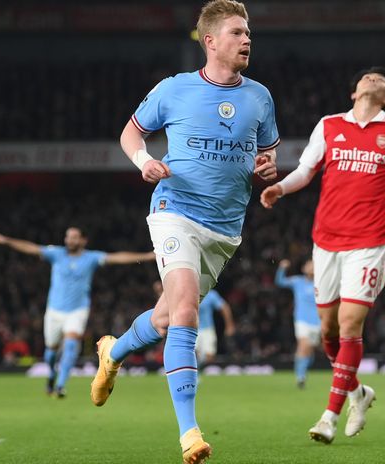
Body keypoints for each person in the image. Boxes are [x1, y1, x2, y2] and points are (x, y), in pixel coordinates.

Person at [89, 1, 280, 462]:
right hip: (174, 208)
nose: (247, 39)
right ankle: (189, 433)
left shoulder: (260, 97)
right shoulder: (174, 90)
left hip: (225, 227)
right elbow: (130, 135)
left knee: (164, 320)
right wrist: (145, 162)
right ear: (210, 41)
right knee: (188, 315)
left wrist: (268, 167)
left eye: (248, 32)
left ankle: (113, 351)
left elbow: (268, 155)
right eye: (237, 32)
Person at [260, 67, 385, 444]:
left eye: (380, 79)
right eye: (366, 77)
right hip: (326, 241)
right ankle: (358, 393)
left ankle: (328, 417)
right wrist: (280, 189)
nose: (372, 78)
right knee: (329, 333)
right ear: (354, 92)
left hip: (370, 241)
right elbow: (306, 171)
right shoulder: (328, 125)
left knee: (351, 326)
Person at [0, 227, 153, 398]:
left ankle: (60, 385)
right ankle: (51, 374)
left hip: (77, 311)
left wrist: (147, 256)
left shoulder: (91, 258)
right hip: (54, 311)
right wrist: (6, 241)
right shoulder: (56, 254)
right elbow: (32, 248)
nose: (69, 240)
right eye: (68, 237)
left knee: (71, 345)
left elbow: (117, 258)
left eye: (74, 237)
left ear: (83, 240)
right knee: (50, 352)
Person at [275, 259, 321, 389]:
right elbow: (280, 281)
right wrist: (282, 268)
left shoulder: (321, 284)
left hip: (317, 322)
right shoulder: (297, 281)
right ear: (303, 268)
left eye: (313, 265)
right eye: (309, 265)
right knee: (303, 345)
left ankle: (302, 368)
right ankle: (300, 376)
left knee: (309, 352)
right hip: (301, 320)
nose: (311, 267)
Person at [196, 289, 236, 364]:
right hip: (191, 329)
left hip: (207, 329)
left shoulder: (210, 294)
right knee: (192, 355)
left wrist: (229, 325)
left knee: (209, 356)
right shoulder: (188, 292)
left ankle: (206, 373)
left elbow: (224, 307)